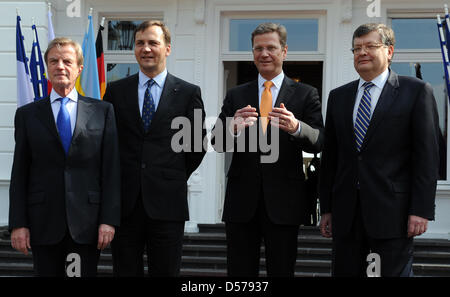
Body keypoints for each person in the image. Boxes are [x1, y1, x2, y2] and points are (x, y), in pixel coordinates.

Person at [319, 23, 440, 277]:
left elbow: (427, 157)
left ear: (390, 51)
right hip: (346, 215)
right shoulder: (338, 97)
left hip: (393, 215)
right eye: (357, 48)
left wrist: (420, 209)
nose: (362, 52)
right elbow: (331, 157)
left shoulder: (416, 92)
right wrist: (326, 207)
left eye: (370, 46)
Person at [211, 22, 324, 277]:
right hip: (241, 202)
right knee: (239, 273)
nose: (264, 54)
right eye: (258, 48)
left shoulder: (306, 94)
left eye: (271, 48)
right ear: (252, 54)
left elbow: (319, 140)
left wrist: (296, 127)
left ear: (284, 51)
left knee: (282, 270)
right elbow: (217, 143)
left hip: (285, 202)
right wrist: (233, 128)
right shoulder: (236, 95)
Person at [9, 37, 121, 277]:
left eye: (67, 61)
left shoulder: (103, 111)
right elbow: (20, 172)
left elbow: (110, 170)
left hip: (87, 224)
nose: (60, 66)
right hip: (42, 223)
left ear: (79, 69)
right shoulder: (27, 115)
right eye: (54, 61)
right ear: (47, 68)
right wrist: (18, 223)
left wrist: (108, 219)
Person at [103, 20, 207, 277]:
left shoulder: (187, 93)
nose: (146, 48)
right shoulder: (116, 92)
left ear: (167, 49)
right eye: (140, 43)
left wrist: (170, 174)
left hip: (167, 204)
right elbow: (108, 143)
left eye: (153, 43)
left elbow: (196, 146)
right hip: (125, 205)